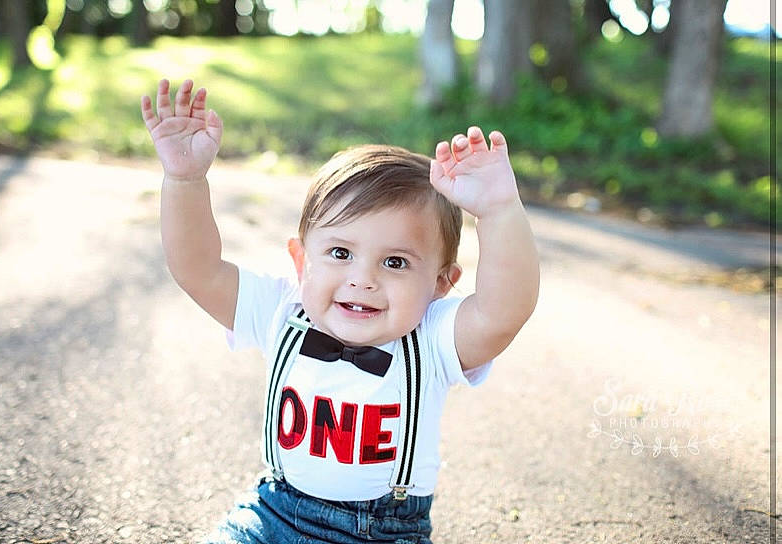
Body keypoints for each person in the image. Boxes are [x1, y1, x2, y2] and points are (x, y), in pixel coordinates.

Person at [141, 78, 539, 544]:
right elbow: (198, 268)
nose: (362, 278)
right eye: (340, 253)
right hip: (274, 513)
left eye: (395, 262)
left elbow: (502, 311)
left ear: (440, 284)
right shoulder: (280, 309)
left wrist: (499, 211)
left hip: (385, 533)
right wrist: (185, 180)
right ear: (300, 262)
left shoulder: (433, 339)